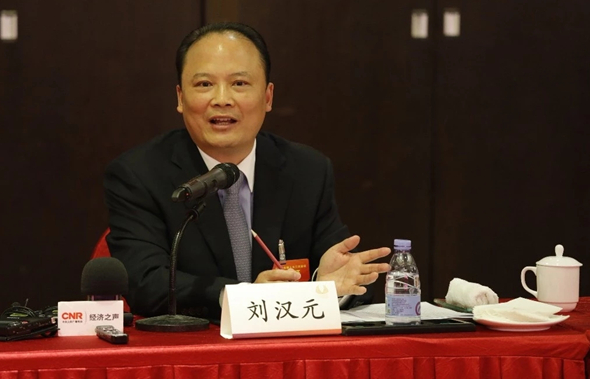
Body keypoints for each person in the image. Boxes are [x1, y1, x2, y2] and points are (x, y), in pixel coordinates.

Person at [104, 22, 390, 320]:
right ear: (180, 97)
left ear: (267, 97)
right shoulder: (139, 174)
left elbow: (342, 273)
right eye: (204, 84)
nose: (222, 99)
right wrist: (245, 297)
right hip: (199, 344)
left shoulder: (307, 171)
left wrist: (328, 285)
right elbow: (145, 283)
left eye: (239, 83)